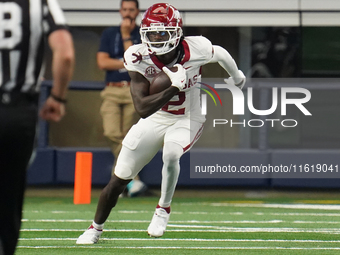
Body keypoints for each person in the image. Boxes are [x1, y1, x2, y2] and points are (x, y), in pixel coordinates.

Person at [76, 3, 245, 244]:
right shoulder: (137, 56)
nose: (156, 37)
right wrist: (174, 86)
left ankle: (162, 209)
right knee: (120, 177)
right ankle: (95, 228)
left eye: (162, 32)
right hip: (156, 116)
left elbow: (220, 53)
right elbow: (143, 108)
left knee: (172, 153)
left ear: (176, 32)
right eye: (151, 32)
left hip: (188, 117)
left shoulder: (196, 48)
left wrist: (236, 75)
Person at [0, 0, 74, 254]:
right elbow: (65, 54)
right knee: (9, 200)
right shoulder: (39, 4)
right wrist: (58, 98)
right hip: (18, 113)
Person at [97, 0, 147, 197]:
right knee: (111, 132)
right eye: (124, 9)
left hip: (132, 90)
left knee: (128, 137)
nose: (127, 13)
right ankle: (131, 181)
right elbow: (102, 62)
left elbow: (135, 62)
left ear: (137, 12)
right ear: (120, 11)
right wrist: (124, 63)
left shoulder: (143, 34)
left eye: (131, 10)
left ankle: (116, 186)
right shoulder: (109, 33)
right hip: (111, 89)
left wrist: (126, 36)